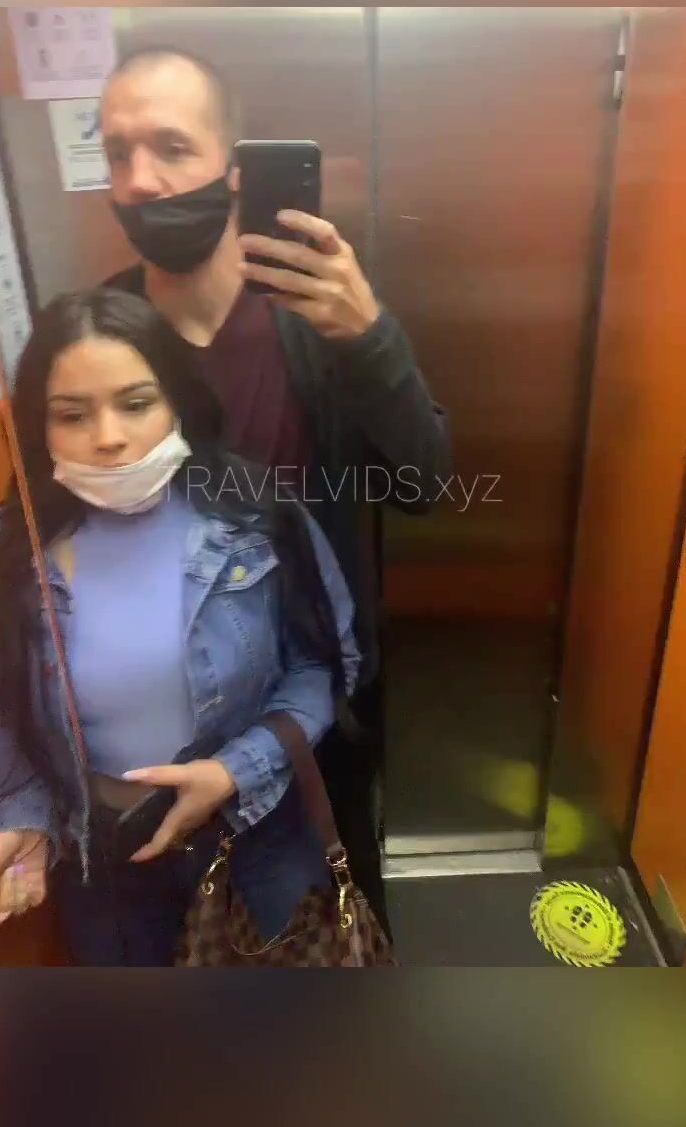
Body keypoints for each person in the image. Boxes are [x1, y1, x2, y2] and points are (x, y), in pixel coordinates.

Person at [100, 46, 448, 929]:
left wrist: (371, 342)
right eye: (117, 152)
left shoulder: (320, 319)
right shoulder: (101, 339)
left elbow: (425, 484)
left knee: (332, 922)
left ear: (235, 166)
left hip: (315, 709)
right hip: (164, 728)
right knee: (187, 941)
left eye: (172, 146)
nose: (139, 179)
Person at [0, 287, 363, 967]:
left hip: (256, 839)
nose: (109, 437)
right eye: (72, 415)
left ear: (177, 400)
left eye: (136, 403)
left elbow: (327, 666)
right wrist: (19, 814)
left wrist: (234, 770)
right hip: (105, 862)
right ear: (39, 426)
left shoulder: (257, 517)